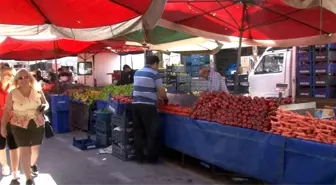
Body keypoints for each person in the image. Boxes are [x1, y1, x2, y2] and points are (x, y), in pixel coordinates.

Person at [1, 68, 48, 185]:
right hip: (19, 125)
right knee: (24, 150)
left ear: (30, 78)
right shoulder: (13, 93)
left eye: (26, 77)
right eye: (20, 78)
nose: (23, 79)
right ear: (16, 80)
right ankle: (28, 178)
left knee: (35, 150)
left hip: (37, 123)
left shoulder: (37, 90)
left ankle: (32, 165)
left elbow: (46, 103)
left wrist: (44, 108)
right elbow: (7, 111)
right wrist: (2, 127)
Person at [132, 55, 168, 164]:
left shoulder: (137, 72)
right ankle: (151, 158)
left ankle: (139, 157)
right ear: (155, 63)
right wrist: (165, 99)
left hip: (135, 105)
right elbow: (161, 92)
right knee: (152, 132)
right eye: (158, 64)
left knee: (138, 131)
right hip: (148, 106)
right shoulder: (154, 74)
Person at [0, 67, 20, 184]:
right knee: (1, 146)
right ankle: (5, 165)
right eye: (7, 74)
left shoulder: (13, 89)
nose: (10, 76)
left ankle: (15, 170)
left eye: (12, 75)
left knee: (14, 146)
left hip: (12, 121)